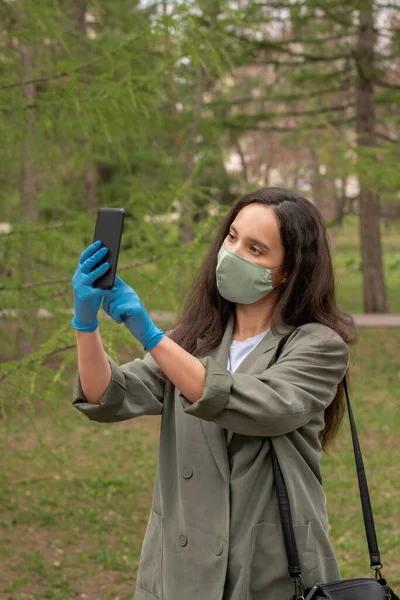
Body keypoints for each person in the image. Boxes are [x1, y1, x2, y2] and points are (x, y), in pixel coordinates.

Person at [71, 187, 356, 600]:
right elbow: (109, 396)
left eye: (256, 250)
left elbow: (264, 407)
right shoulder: (194, 338)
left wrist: (151, 337)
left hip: (268, 565)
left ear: (289, 271)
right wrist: (85, 324)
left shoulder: (318, 346)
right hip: (182, 562)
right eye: (232, 237)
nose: (235, 253)